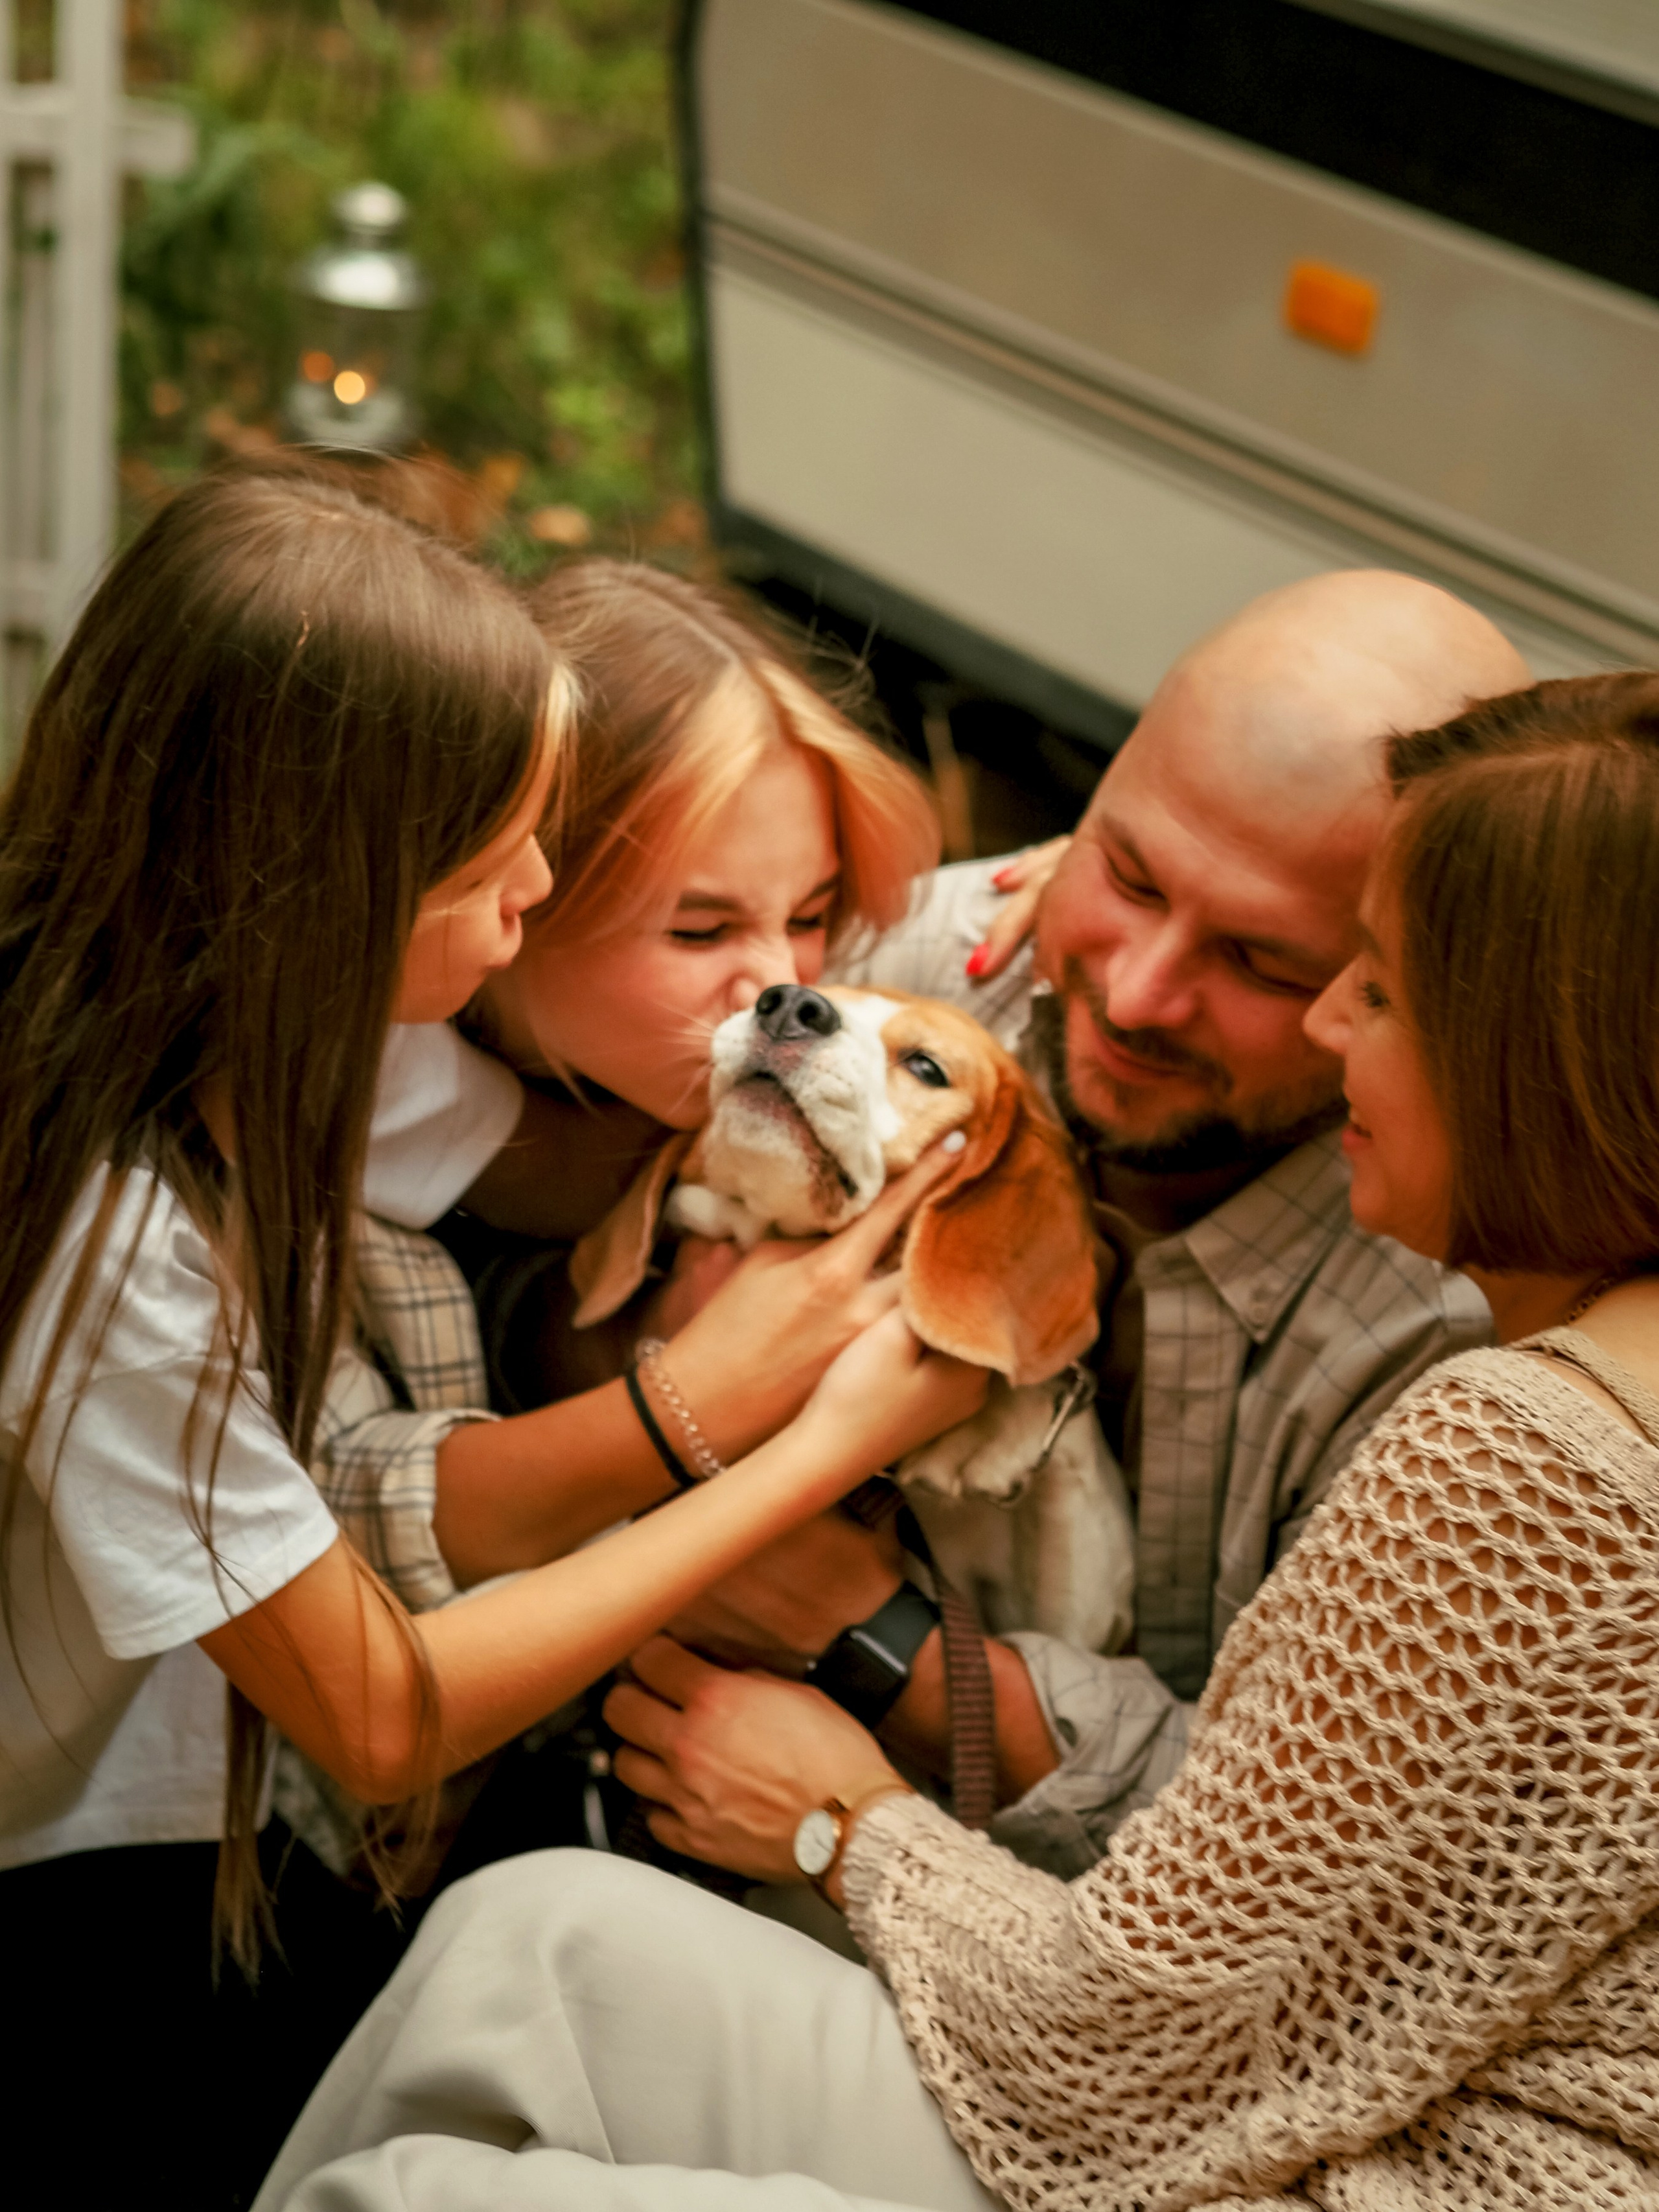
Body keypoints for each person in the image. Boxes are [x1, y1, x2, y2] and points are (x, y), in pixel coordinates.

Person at [258, 667, 1659, 2212]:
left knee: (420, 2195)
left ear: (1540, 1066)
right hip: (1231, 2098)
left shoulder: (1516, 1447)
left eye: (1352, 980)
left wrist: (837, 1816)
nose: (1323, 1026)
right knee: (520, 1945)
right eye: (1117, 869)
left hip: (1291, 2166)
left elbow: (1118, 2050)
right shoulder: (962, 960)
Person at [0, 468, 984, 2209]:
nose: (537, 878)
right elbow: (387, 1712)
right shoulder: (113, 1234)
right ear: (327, 880)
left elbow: (575, 1149)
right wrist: (779, 1440)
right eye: (497, 855)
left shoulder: (279, 1021)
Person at [664, 569, 1525, 1866]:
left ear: (1400, 988)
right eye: (1125, 875)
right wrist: (682, 1357)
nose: (1130, 995)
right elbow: (537, 1258)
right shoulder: (934, 956)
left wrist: (860, 1623)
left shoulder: (1450, 1325)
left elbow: (1300, 1854)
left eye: (1259, 961)